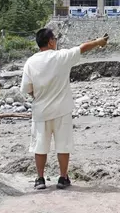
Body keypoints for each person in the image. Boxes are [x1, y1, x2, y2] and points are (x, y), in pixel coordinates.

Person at [21, 28, 108, 190]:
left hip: (41, 110)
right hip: (62, 109)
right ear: (50, 41)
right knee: (63, 144)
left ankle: (40, 179)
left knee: (40, 146)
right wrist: (98, 42)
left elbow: (27, 88)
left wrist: (38, 97)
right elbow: (82, 48)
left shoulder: (30, 62)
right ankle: (62, 177)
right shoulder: (61, 57)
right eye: (54, 38)